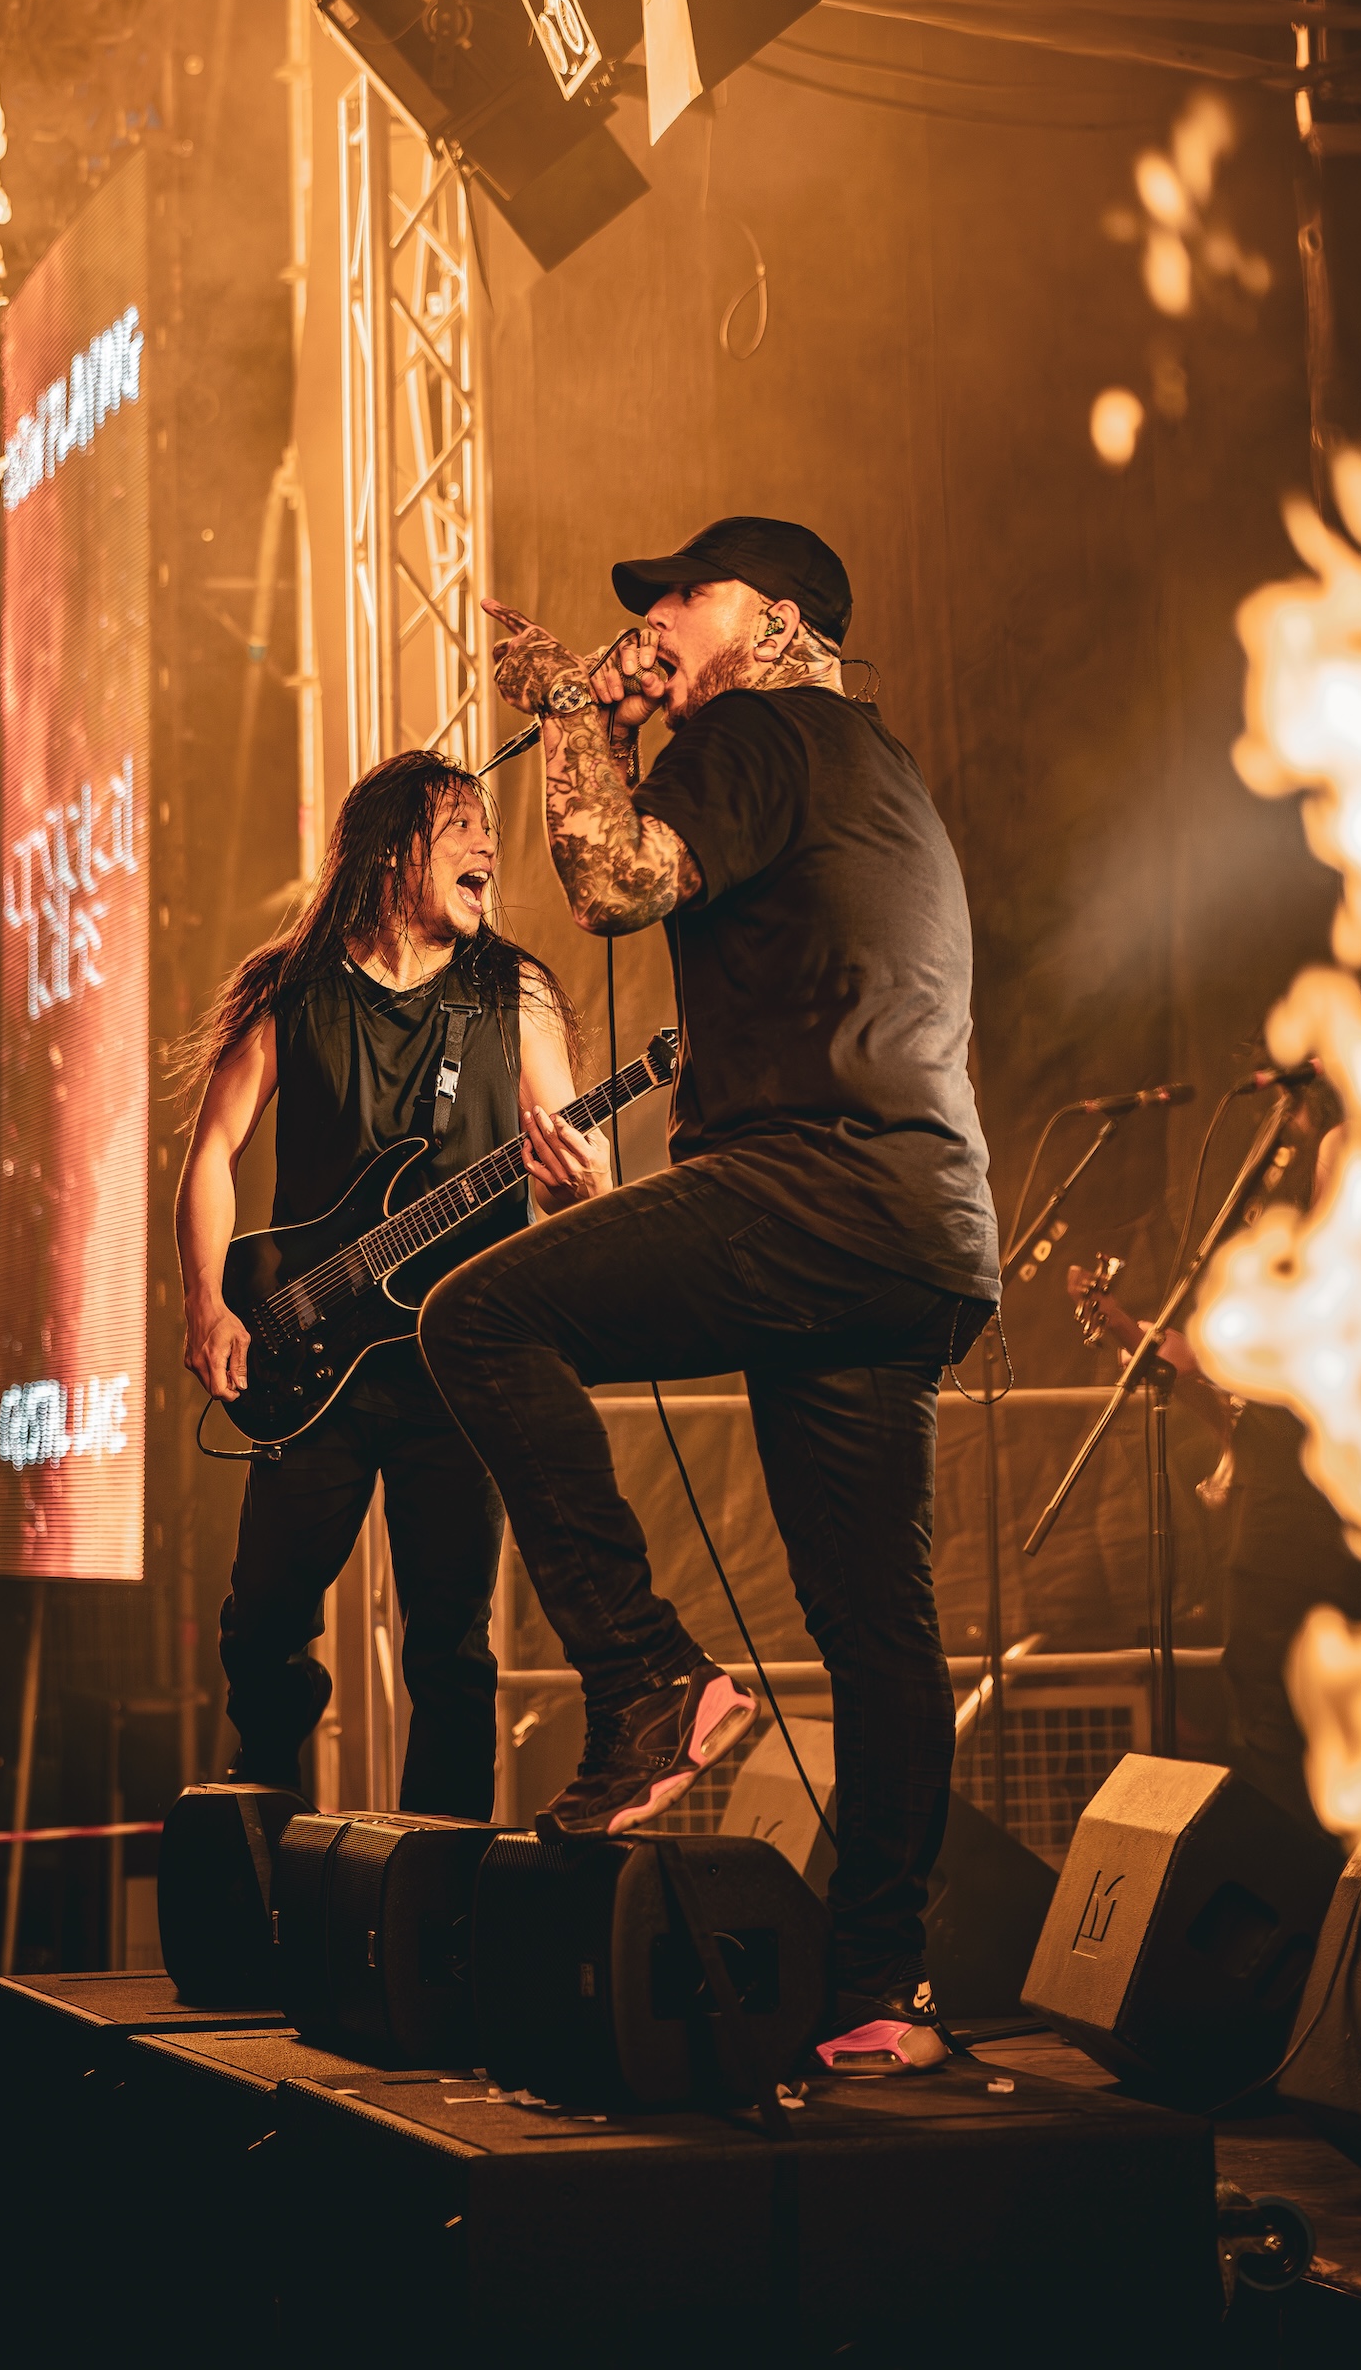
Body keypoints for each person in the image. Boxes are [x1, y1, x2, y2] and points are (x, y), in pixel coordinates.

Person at [416, 517, 1000, 2068]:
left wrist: (566, 721)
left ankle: (646, 1676)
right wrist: (610, 725)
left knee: (477, 1317)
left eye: (681, 595)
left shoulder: (755, 727)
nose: (657, 622)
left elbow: (613, 881)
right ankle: (885, 1988)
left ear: (770, 612)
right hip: (918, 1222)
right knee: (878, 1626)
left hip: (813, 1184)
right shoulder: (877, 765)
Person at [174, 752, 610, 1814]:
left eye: (487, 831)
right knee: (264, 1619)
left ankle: (437, 1900)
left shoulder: (512, 992)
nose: (487, 849)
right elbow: (213, 1151)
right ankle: (259, 1827)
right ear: (389, 850)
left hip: (457, 1373)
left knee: (451, 1647)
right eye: (458, 827)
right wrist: (208, 1301)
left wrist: (581, 1187)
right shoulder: (295, 986)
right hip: (311, 1355)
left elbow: (581, 1187)